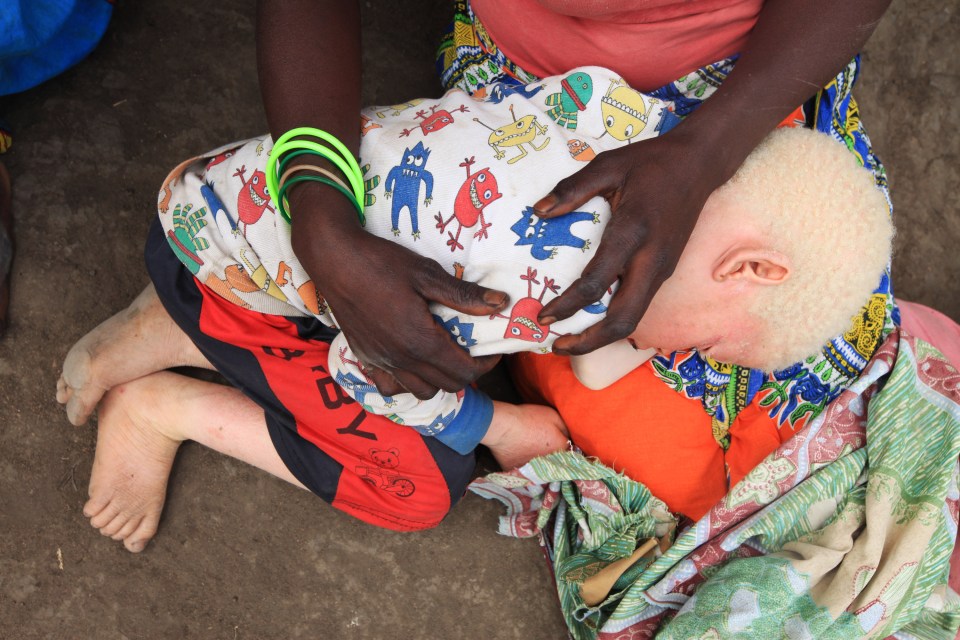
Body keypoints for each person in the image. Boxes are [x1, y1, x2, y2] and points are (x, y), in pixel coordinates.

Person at [56, 115, 891, 553]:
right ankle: (163, 399)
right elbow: (363, 362)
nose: (676, 356)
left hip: (225, 196)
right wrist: (500, 425)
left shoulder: (630, 125)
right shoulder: (530, 285)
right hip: (235, 272)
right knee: (419, 485)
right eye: (707, 348)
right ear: (752, 268)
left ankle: (183, 318)